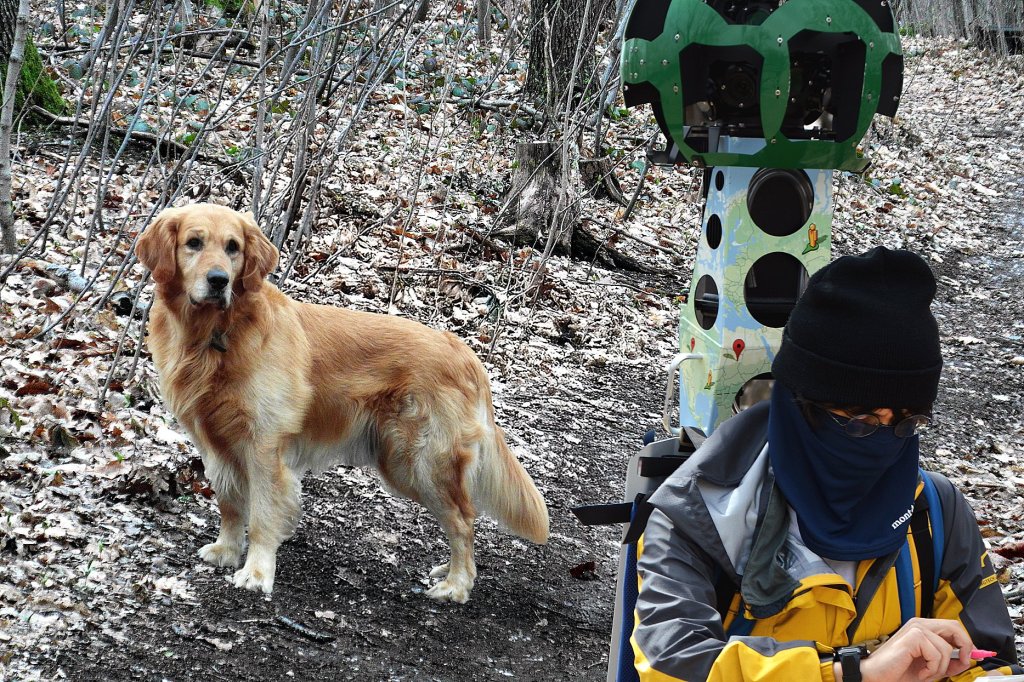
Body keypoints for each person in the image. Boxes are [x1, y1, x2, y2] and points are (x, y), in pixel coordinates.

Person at [631, 247, 1021, 681]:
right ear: (798, 404)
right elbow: (672, 662)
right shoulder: (699, 513)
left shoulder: (934, 511)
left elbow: (988, 659)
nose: (882, 442)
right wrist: (851, 673)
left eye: (905, 423)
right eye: (860, 421)